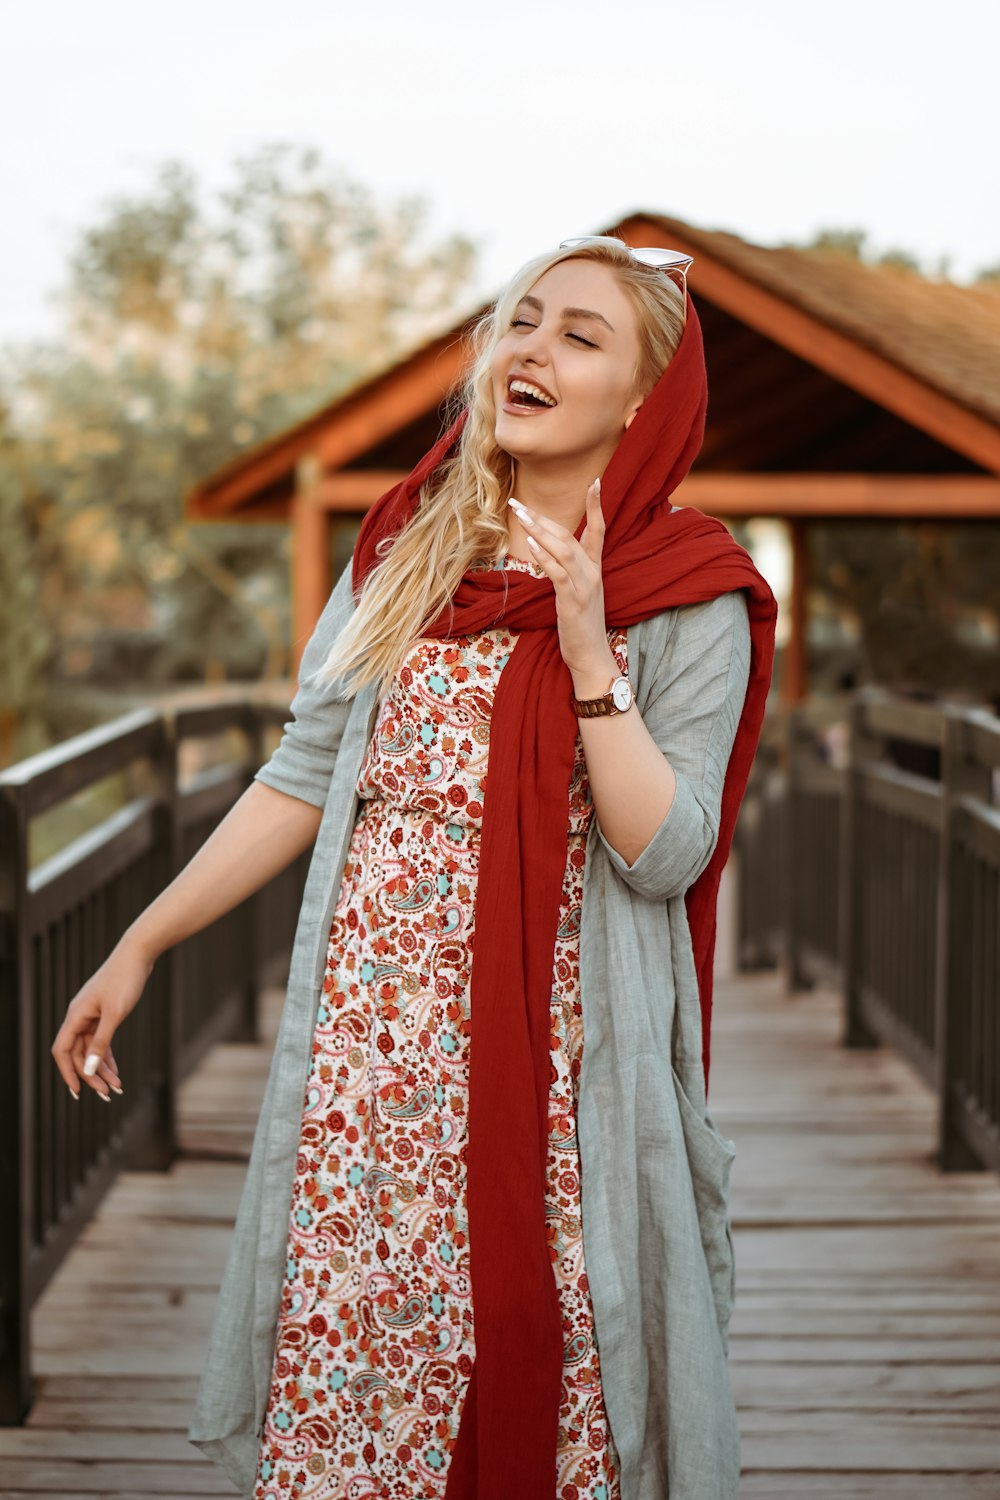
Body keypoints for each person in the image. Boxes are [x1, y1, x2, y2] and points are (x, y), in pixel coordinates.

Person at [51, 234, 778, 1500]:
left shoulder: (685, 592)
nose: (531, 351)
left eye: (579, 336)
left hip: (561, 1078)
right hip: (374, 1063)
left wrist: (590, 651)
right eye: (522, 321)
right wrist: (141, 942)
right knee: (368, 1371)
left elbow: (665, 855)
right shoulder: (405, 549)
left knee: (547, 1382)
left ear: (644, 402)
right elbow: (301, 775)